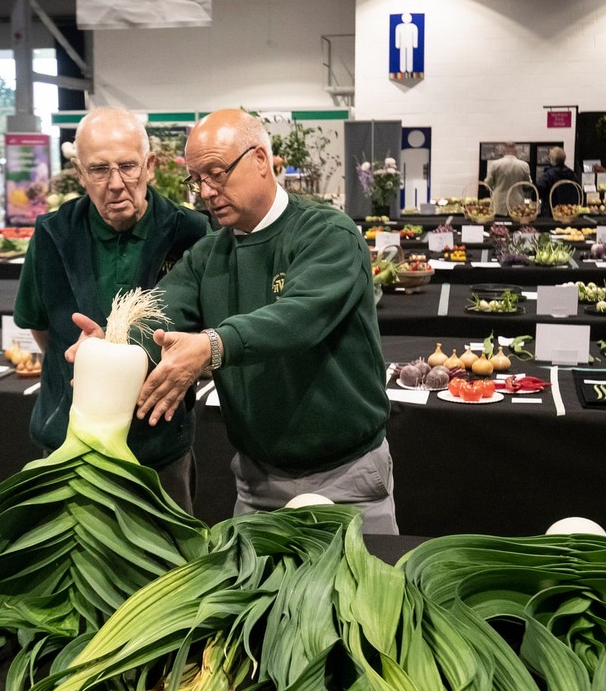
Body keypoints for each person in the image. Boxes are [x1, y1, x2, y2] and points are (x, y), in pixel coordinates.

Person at [69, 109, 397, 534]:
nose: (205, 191)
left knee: (361, 599)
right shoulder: (209, 256)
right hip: (256, 486)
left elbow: (299, 317)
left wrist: (213, 346)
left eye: (217, 173)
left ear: (260, 159)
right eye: (196, 179)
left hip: (348, 480)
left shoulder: (327, 234)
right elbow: (159, 312)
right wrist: (112, 348)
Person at [13, 107, 209, 511]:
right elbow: (41, 328)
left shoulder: (190, 233)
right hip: (69, 442)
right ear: (80, 174)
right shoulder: (52, 234)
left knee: (168, 563)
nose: (116, 184)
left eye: (127, 167)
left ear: (150, 166)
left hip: (156, 443)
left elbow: (208, 335)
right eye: (99, 170)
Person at [483, 142, 532, 216]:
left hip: (498, 204)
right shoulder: (524, 165)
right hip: (517, 205)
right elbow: (528, 185)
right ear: (516, 151)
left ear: (503, 151)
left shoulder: (495, 164)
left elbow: (487, 185)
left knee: (497, 226)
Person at [536, 146, 579, 216]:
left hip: (552, 211)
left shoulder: (548, 174)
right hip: (569, 211)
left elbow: (539, 189)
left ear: (552, 159)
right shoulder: (572, 174)